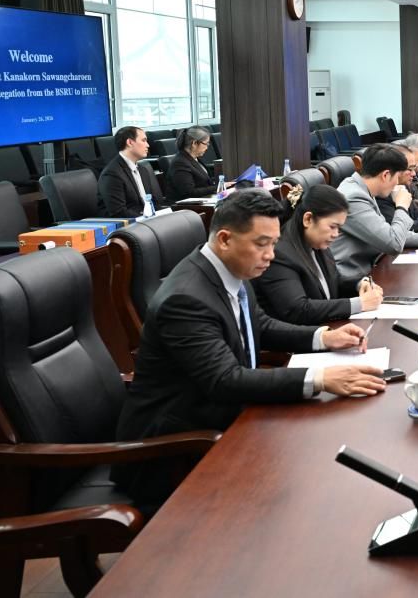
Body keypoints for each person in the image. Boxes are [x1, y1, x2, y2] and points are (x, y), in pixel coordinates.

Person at [114, 190, 386, 503]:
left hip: (230, 417)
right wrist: (321, 378)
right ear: (225, 239)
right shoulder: (185, 300)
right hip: (173, 450)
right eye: (262, 244)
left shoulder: (230, 269)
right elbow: (225, 379)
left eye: (273, 243)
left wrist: (323, 337)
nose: (271, 254)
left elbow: (260, 324)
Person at [254, 184, 384, 325]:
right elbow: (298, 309)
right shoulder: (280, 254)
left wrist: (359, 284)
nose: (336, 234)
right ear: (308, 219)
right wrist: (359, 304)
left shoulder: (318, 244)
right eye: (332, 227)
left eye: (339, 228)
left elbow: (332, 283)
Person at [330, 143, 418, 285]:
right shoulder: (354, 198)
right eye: (397, 177)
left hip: (375, 267)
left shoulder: (362, 188)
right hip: (354, 281)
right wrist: (401, 207)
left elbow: (389, 233)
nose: (398, 183)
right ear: (385, 175)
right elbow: (393, 243)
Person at [97, 125, 168, 217]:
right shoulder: (112, 174)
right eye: (143, 140)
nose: (148, 145)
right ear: (130, 142)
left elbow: (152, 202)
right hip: (129, 223)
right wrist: (146, 218)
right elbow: (119, 212)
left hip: (146, 219)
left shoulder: (143, 170)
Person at [167, 126, 218, 200]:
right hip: (186, 205)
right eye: (206, 144)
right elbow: (189, 192)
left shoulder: (194, 158)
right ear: (194, 143)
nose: (207, 147)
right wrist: (217, 187)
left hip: (202, 200)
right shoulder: (180, 163)